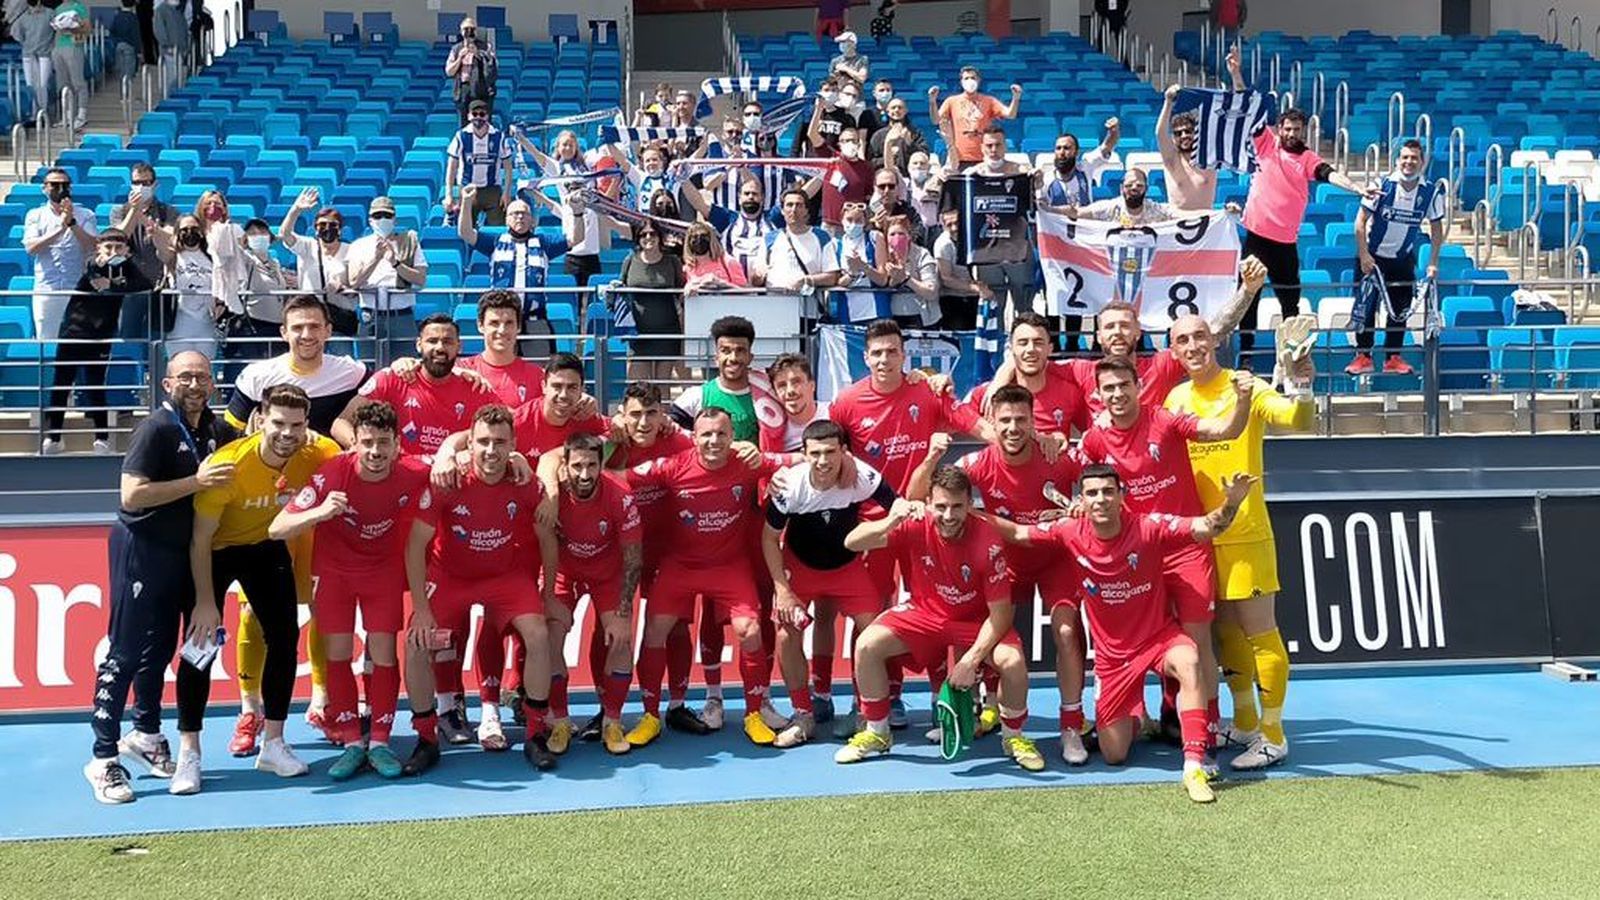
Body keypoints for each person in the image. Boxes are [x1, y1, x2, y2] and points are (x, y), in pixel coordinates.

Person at [993, 463, 1254, 803]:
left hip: (1159, 638)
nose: (1100, 499)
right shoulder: (1069, 530)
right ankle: (1137, 717)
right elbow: (1017, 534)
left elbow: (1206, 527)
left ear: (1121, 496)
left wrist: (1231, 502)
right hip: (1114, 658)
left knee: (1189, 659)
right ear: (1082, 500)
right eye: (1092, 493)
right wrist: (968, 513)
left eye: (1108, 492)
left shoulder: (1148, 527)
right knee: (1114, 754)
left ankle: (1194, 765)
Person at [1165, 312, 1317, 770]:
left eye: (1200, 336)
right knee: (1226, 632)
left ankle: (1274, 735)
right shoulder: (1176, 398)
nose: (1193, 346)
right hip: (1198, 536)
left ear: (1215, 341)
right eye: (1183, 340)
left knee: (1260, 632)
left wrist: (1302, 386)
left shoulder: (1246, 386)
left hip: (1246, 533)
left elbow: (1297, 421)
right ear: (1173, 351)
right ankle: (1247, 722)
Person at [1079, 356, 1253, 753]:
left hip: (1186, 547)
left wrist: (1242, 400)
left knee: (1195, 638)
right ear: (1099, 395)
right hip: (1136, 556)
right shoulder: (1094, 439)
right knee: (1137, 639)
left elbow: (1224, 428)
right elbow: (1080, 482)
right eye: (1109, 388)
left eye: (1124, 385)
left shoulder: (1166, 420)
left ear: (1138, 387)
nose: (1117, 394)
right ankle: (1136, 714)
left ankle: (1206, 723)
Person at [829, 319, 994, 727]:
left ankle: (943, 697)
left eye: (892, 351)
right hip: (877, 522)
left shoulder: (928, 391)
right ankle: (877, 700)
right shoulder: (846, 403)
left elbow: (975, 425)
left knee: (934, 606)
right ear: (866, 358)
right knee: (872, 613)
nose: (884, 359)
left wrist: (1020, 440)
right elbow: (831, 456)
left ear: (905, 355)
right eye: (877, 353)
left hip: (929, 520)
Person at [84, 351, 233, 804]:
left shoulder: (214, 428)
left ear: (213, 383)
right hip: (142, 547)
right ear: (167, 384)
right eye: (185, 377)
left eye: (202, 377)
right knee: (125, 652)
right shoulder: (156, 428)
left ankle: (146, 734)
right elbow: (131, 495)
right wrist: (196, 483)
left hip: (183, 553)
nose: (195, 384)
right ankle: (103, 757)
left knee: (163, 649)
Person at [836, 467, 1045, 771]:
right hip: (924, 614)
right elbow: (852, 542)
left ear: (970, 504)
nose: (948, 515)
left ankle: (1013, 737)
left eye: (957, 506)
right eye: (941, 506)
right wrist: (893, 519)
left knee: (1012, 663)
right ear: (929, 503)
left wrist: (970, 661)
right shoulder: (915, 523)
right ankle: (877, 732)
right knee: (868, 644)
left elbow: (1000, 616)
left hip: (975, 622)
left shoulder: (988, 541)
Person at [187, 385, 341, 789]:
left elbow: (358, 461)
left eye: (296, 425)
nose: (287, 433)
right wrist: (205, 601)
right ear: (259, 421)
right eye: (278, 423)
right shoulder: (229, 465)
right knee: (199, 647)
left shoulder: (317, 452)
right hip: (216, 551)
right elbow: (200, 539)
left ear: (307, 425)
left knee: (284, 637)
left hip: (265, 548)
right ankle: (190, 753)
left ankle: (273, 743)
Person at [268, 401, 431, 781]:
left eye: (384, 443)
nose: (375, 452)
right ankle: (352, 742)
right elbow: (277, 528)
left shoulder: (414, 472)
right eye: (367, 443)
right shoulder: (332, 474)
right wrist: (321, 512)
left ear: (397, 444)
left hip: (382, 571)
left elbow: (457, 461)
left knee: (384, 653)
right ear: (354, 442)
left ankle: (380, 742)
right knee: (338, 653)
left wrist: (515, 461)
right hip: (334, 572)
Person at [401, 404, 561, 773]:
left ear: (513, 445)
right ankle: (426, 739)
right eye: (484, 442)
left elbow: (547, 539)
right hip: (450, 576)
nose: (491, 451)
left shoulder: (524, 481)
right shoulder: (448, 480)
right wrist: (421, 608)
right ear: (469, 443)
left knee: (538, 635)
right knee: (416, 643)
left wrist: (550, 595)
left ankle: (535, 734)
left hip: (504, 576)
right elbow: (415, 545)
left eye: (500, 443)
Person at [622, 407, 785, 747]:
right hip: (679, 567)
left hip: (729, 567)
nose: (714, 441)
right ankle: (650, 716)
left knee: (750, 629)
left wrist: (790, 470)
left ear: (733, 438)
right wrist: (555, 471)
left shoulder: (747, 463)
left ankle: (753, 714)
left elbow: (800, 459)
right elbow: (617, 478)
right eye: (706, 434)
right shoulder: (672, 466)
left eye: (721, 434)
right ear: (693, 438)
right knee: (654, 631)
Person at [953, 384, 1087, 759]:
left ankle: (1072, 726)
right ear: (992, 422)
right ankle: (982, 710)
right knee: (983, 630)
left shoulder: (1058, 456)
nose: (1013, 428)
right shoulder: (977, 462)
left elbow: (1105, 478)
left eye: (1021, 420)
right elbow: (939, 490)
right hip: (1006, 562)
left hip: (1056, 559)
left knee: (1066, 633)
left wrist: (1084, 502)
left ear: (1033, 422)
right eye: (1005, 420)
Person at [1230, 47, 1377, 358]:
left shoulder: (1308, 158)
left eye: (1297, 130)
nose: (1292, 133)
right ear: (1279, 128)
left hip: (1285, 244)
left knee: (1290, 303)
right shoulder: (1266, 144)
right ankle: (1247, 356)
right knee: (1248, 298)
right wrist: (1235, 74)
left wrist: (1357, 188)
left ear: (1303, 131)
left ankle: (1292, 355)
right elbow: (1246, 107)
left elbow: (1330, 174)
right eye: (1287, 128)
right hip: (1256, 239)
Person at [763, 419, 895, 747]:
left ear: (843, 451)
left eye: (830, 452)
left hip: (847, 568)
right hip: (800, 567)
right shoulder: (789, 485)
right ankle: (803, 715)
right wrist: (782, 589)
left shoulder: (860, 475)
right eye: (816, 453)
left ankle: (864, 712)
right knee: (786, 633)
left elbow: (896, 505)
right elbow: (769, 539)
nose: (823, 461)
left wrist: (895, 521)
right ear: (804, 454)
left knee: (874, 633)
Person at [604, 383, 712, 740]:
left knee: (676, 628)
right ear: (622, 415)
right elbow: (569, 462)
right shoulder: (610, 443)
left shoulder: (679, 442)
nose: (644, 422)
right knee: (608, 631)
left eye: (651, 413)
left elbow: (717, 452)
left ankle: (676, 705)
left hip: (669, 552)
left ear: (663, 415)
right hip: (620, 552)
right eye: (635, 414)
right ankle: (608, 710)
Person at [548, 433, 644, 756]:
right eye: (577, 466)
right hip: (565, 573)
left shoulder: (620, 495)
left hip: (608, 574)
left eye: (592, 465)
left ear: (602, 465)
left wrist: (623, 614)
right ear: (565, 465)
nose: (585, 474)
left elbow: (633, 557)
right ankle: (560, 720)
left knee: (621, 640)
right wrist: (547, 594)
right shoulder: (551, 493)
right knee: (549, 637)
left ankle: (612, 721)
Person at [44, 230, 152, 455]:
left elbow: (145, 284)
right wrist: (101, 267)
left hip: (101, 336)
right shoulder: (92, 262)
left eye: (118, 248)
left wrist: (113, 285)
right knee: (61, 385)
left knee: (95, 386)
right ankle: (53, 438)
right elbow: (92, 269)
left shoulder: (128, 268)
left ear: (127, 250)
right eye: (108, 247)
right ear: (99, 249)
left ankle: (101, 439)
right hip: (73, 333)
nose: (113, 252)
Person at [1350, 139, 1445, 375]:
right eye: (1405, 157)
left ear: (1422, 162)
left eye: (1414, 158)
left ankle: (1393, 357)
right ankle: (1363, 356)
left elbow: (1436, 228)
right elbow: (1359, 222)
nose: (1409, 162)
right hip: (1373, 258)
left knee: (1400, 309)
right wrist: (1364, 255)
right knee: (1366, 307)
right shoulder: (1381, 185)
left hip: (1402, 259)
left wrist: (1433, 262)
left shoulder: (1431, 192)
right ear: (1397, 161)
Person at [333, 314, 486, 461]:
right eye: (432, 341)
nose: (440, 348)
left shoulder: (475, 387)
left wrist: (466, 452)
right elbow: (340, 423)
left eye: (447, 342)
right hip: (397, 473)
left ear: (459, 346)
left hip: (450, 472)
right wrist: (359, 446)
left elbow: (496, 433)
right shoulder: (392, 378)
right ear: (419, 345)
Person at [458, 185, 585, 355]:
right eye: (515, 214)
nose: (520, 217)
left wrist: (577, 213)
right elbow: (465, 233)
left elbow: (576, 239)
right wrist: (466, 202)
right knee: (502, 363)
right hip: (503, 320)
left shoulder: (544, 243)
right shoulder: (495, 241)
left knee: (538, 366)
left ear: (532, 220)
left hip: (535, 319)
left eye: (524, 214)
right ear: (507, 219)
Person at [225, 294, 368, 436]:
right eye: (297, 328)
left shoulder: (353, 373)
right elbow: (230, 434)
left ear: (328, 331)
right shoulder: (256, 377)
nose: (306, 335)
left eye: (314, 327)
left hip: (332, 450)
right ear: (284, 333)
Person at [964, 313, 1081, 440]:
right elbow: (951, 421)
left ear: (1050, 349)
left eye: (1038, 343)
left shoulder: (1069, 392)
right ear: (1011, 349)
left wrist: (1059, 439)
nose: (1031, 349)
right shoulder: (987, 395)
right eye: (1023, 343)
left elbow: (1092, 433)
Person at [962, 126, 1039, 317]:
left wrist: (1037, 180)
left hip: (1017, 249)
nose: (993, 150)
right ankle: (996, 337)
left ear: (1005, 146)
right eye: (989, 145)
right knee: (993, 306)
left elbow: (1037, 194)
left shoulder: (1020, 172)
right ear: (982, 147)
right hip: (987, 250)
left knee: (1024, 304)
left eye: (998, 145)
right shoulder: (971, 175)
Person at [345, 197, 429, 364]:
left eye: (387, 215)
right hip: (370, 316)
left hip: (401, 316)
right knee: (369, 366)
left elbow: (420, 279)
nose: (382, 219)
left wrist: (395, 263)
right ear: (370, 220)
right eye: (378, 216)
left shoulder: (409, 242)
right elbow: (354, 282)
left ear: (394, 219)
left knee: (407, 367)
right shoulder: (358, 245)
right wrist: (376, 258)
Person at [24, 167, 98, 341]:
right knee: (46, 338)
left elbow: (92, 246)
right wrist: (60, 228)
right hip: (47, 288)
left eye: (64, 185)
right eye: (54, 185)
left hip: (78, 286)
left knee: (80, 339)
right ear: (45, 188)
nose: (60, 189)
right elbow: (32, 248)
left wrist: (72, 223)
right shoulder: (35, 215)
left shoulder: (86, 214)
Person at [110, 164, 178, 341]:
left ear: (155, 184)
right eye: (136, 182)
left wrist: (149, 224)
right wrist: (134, 211)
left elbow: (172, 239)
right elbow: (118, 238)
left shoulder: (168, 211)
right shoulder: (120, 211)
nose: (141, 187)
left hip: (160, 287)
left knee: (158, 339)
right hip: (130, 287)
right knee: (128, 338)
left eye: (146, 183)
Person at [279, 189, 357, 335]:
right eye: (322, 224)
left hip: (339, 318)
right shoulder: (307, 246)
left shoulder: (351, 250)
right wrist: (296, 209)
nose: (327, 228)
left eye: (333, 225)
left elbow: (359, 283)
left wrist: (343, 288)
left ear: (340, 229)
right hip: (310, 315)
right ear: (315, 229)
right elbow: (285, 234)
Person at [618, 221, 688, 383]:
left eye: (653, 233)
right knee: (638, 387)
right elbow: (620, 287)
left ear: (659, 236)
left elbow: (682, 291)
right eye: (643, 234)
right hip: (638, 333)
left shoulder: (672, 261)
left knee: (662, 386)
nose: (648, 237)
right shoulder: (630, 260)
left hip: (667, 331)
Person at [753, 188, 840, 309]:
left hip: (808, 310)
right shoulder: (769, 238)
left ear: (806, 210)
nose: (793, 209)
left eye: (799, 205)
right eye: (789, 205)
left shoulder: (821, 237)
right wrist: (758, 276)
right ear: (782, 210)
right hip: (774, 308)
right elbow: (756, 279)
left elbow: (832, 277)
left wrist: (806, 280)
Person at [457, 289, 546, 406]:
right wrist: (455, 371)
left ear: (519, 327)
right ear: (480, 325)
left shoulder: (537, 377)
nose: (502, 330)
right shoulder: (462, 370)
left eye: (509, 323)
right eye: (494, 323)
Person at [227, 218, 293, 368]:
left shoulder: (274, 263)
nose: (258, 236)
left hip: (277, 326)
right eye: (252, 233)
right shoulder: (247, 260)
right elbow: (236, 252)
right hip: (255, 326)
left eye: (262, 232)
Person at [444, 99, 514, 227]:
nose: (478, 117)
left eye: (482, 114)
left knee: (497, 228)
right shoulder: (461, 136)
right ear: (468, 116)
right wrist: (448, 194)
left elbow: (508, 167)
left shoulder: (498, 137)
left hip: (492, 190)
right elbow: (452, 167)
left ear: (487, 116)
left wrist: (506, 192)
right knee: (465, 228)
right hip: (468, 189)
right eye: (474, 114)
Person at [933, 68, 1021, 168]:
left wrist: (1016, 98)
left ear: (978, 80)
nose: (970, 81)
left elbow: (1010, 115)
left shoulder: (989, 101)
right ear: (961, 82)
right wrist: (932, 101)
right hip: (960, 158)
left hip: (984, 158)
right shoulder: (951, 101)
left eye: (973, 78)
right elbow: (936, 120)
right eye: (966, 78)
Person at [1158, 85, 1221, 211]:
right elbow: (1160, 133)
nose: (1184, 136)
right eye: (1178, 133)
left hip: (1206, 218)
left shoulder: (1209, 157)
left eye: (1188, 131)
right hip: (1178, 219)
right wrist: (1168, 103)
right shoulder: (1171, 161)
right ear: (1173, 138)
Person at [166, 214, 218, 360]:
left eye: (194, 228)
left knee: (205, 363)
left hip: (206, 320)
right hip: (180, 320)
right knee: (179, 363)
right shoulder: (172, 255)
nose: (190, 232)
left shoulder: (212, 255)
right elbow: (160, 245)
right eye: (185, 229)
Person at [932, 206, 990, 330]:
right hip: (953, 300)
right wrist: (976, 288)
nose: (954, 228)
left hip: (974, 298)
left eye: (957, 223)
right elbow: (946, 278)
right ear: (943, 225)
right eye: (949, 225)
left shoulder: (973, 236)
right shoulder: (943, 244)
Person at [884, 215, 940, 329]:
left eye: (901, 234)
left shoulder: (922, 254)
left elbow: (931, 291)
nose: (897, 237)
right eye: (892, 234)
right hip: (892, 318)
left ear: (909, 236)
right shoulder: (882, 254)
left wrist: (906, 278)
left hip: (921, 318)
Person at [444, 17, 497, 125]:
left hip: (481, 89)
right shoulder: (456, 49)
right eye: (466, 29)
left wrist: (478, 54)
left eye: (472, 29)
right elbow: (449, 71)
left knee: (482, 121)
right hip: (463, 89)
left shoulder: (485, 47)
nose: (469, 32)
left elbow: (493, 67)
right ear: (461, 31)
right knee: (464, 122)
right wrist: (460, 58)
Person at [50, 0, 91, 129]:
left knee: (78, 82)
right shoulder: (58, 8)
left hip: (73, 46)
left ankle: (81, 115)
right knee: (63, 83)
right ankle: (67, 116)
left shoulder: (79, 7)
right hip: (58, 47)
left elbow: (87, 29)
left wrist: (73, 29)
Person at [12, 0, 53, 123]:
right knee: (31, 86)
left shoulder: (50, 13)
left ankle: (43, 113)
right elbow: (16, 33)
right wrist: (25, 43)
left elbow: (57, 29)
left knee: (42, 85)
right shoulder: (24, 17)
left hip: (44, 53)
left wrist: (52, 44)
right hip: (29, 54)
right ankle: (34, 114)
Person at [682, 222, 748, 294]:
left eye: (703, 236)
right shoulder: (688, 268)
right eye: (695, 237)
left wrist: (721, 284)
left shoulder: (728, 262)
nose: (699, 240)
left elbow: (746, 292)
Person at [871, 96, 930, 174]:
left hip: (910, 176)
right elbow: (871, 161)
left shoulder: (915, 133)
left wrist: (910, 144)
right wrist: (889, 156)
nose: (896, 110)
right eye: (893, 108)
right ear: (887, 111)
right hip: (887, 178)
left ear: (906, 111)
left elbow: (925, 156)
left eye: (900, 107)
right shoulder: (879, 135)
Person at [152, 0, 187, 86]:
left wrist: (185, 46)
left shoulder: (179, 10)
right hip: (168, 52)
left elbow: (184, 29)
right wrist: (166, 45)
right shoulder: (161, 10)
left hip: (179, 50)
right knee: (170, 79)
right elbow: (159, 30)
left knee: (178, 78)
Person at [109, 0, 141, 81]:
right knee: (129, 72)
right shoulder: (133, 17)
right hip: (129, 46)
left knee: (120, 71)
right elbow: (135, 35)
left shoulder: (117, 16)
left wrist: (115, 42)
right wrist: (138, 51)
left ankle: (121, 86)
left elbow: (112, 31)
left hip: (118, 46)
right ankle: (127, 87)